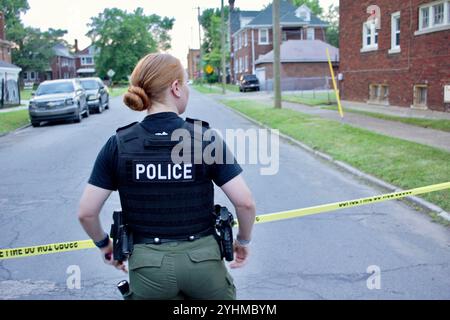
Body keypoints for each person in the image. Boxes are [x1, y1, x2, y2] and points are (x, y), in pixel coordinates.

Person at [77, 53, 256, 300]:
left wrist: (104, 245)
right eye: (185, 84)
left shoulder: (119, 144)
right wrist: (243, 241)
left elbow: (86, 212)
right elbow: (245, 202)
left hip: (148, 268)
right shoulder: (204, 138)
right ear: (175, 87)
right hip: (204, 264)